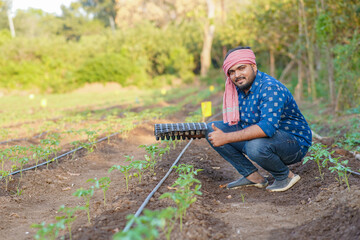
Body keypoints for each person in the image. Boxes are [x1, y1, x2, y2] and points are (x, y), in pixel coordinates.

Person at [206, 46, 312, 192]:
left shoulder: (269, 87)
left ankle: (285, 176)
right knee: (210, 128)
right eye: (232, 72)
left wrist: (226, 137)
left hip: (292, 143)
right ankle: (253, 177)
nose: (237, 75)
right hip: (264, 139)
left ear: (253, 67)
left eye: (241, 68)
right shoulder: (236, 89)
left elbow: (267, 128)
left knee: (254, 146)